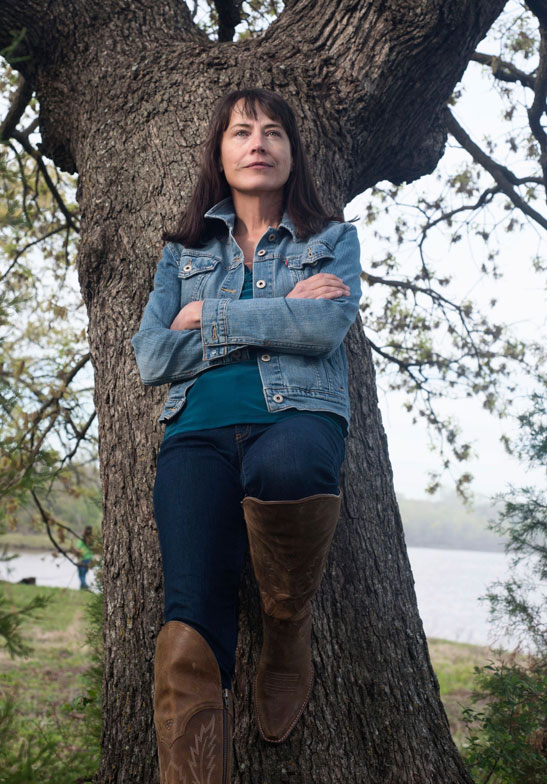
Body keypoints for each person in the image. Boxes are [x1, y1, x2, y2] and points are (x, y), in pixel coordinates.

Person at [131, 88, 362, 783]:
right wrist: (278, 310)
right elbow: (151, 357)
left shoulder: (331, 241)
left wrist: (208, 318)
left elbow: (324, 329)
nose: (257, 142)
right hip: (194, 433)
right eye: (240, 132)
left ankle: (286, 630)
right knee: (185, 627)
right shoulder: (183, 254)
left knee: (290, 471)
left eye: (271, 132)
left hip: (295, 419)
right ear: (220, 153)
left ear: (292, 154)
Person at [75, 525, 93, 590]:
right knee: (84, 573)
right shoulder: (92, 540)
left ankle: (84, 586)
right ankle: (82, 586)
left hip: (82, 559)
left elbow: (77, 548)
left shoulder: (82, 539)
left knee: (81, 574)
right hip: (89, 559)